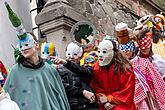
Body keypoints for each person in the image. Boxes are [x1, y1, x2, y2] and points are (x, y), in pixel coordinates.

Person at [4, 32, 70, 110]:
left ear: (36, 45)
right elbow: (6, 101)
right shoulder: (15, 72)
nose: (24, 48)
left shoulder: (50, 70)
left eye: (27, 43)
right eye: (21, 45)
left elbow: (61, 97)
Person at [90, 39, 136, 110]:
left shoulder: (125, 69)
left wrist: (109, 99)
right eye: (99, 51)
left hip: (122, 105)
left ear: (114, 52)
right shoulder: (96, 68)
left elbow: (127, 92)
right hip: (104, 105)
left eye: (104, 52)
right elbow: (96, 87)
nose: (101, 55)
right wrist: (105, 102)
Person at [52, 42, 99, 110]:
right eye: (69, 54)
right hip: (72, 106)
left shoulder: (85, 68)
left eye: (75, 54)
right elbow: (62, 86)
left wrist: (67, 63)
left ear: (81, 55)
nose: (71, 57)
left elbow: (87, 74)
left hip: (89, 105)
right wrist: (82, 92)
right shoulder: (59, 70)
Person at [132, 33, 165, 109]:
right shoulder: (136, 61)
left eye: (146, 47)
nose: (144, 50)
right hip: (144, 94)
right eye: (142, 48)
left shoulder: (156, 59)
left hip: (157, 91)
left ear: (150, 46)